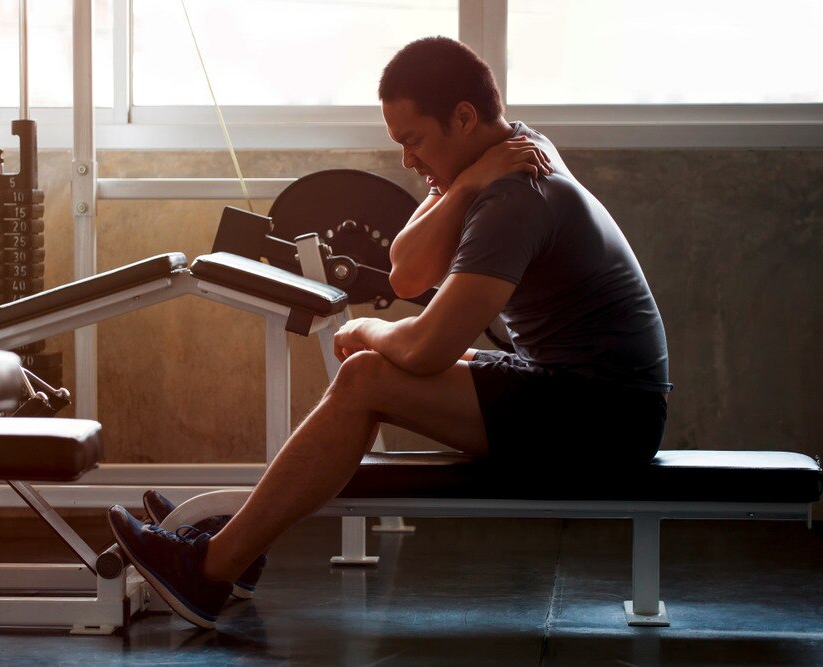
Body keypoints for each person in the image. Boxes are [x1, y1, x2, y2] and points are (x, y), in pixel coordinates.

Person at [107, 35, 672, 629]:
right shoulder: (505, 156)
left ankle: (212, 567)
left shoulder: (517, 195)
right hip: (581, 393)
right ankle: (237, 549)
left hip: (604, 415)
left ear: (463, 116)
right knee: (363, 371)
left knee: (365, 375)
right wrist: (465, 183)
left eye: (414, 141)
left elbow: (427, 349)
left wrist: (372, 327)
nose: (407, 160)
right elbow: (408, 271)